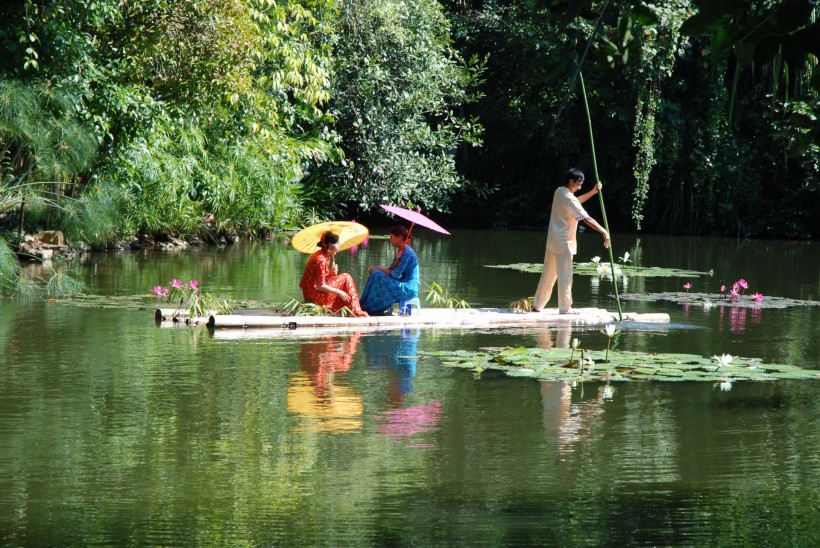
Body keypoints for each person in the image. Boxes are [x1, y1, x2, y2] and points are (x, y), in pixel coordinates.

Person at [532, 168, 610, 314]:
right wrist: (604, 231)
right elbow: (586, 218)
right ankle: (565, 309)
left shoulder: (559, 192)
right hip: (563, 243)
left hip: (553, 241)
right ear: (571, 181)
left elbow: (575, 202)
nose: (580, 187)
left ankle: (537, 305)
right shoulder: (569, 198)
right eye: (578, 184)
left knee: (548, 275)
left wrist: (593, 192)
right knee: (565, 277)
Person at [299, 231, 368, 317]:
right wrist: (339, 292)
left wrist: (330, 274)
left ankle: (351, 309)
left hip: (311, 293)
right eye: (338, 244)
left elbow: (317, 278)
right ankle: (355, 311)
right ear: (330, 245)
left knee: (345, 277)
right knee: (346, 277)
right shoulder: (320, 259)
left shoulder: (321, 255)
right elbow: (320, 285)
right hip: (314, 296)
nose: (339, 247)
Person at [359, 225, 419, 315]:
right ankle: (362, 305)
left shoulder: (408, 253)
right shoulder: (400, 251)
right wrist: (396, 260)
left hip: (409, 288)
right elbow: (391, 270)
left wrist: (377, 268)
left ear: (399, 238)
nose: (390, 239)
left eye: (391, 237)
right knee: (376, 274)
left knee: (377, 273)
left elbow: (395, 274)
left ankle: (370, 308)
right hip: (401, 283)